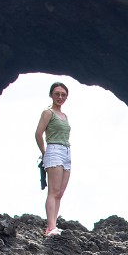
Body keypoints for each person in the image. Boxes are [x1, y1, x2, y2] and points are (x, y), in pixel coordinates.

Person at [35, 81, 72, 237]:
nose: (60, 97)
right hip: (54, 149)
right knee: (53, 191)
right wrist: (44, 152)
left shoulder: (64, 116)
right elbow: (38, 134)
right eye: (57, 94)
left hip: (66, 151)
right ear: (51, 95)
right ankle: (50, 227)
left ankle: (54, 225)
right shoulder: (48, 112)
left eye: (63, 95)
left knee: (60, 193)